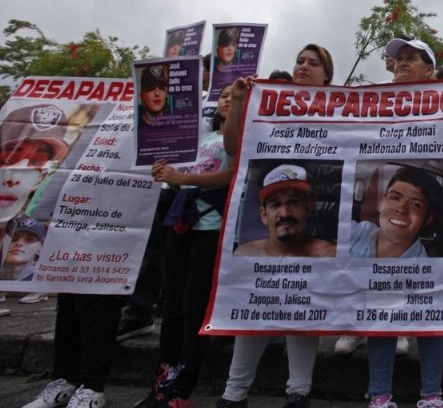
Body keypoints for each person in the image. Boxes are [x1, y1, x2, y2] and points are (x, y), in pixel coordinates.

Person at [362, 36, 443, 408]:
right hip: (392, 241)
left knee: (434, 310)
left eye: (412, 58)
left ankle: (431, 394)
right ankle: (380, 394)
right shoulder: (373, 101)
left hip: (435, 227)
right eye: (399, 57)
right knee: (380, 313)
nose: (402, 62)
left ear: (430, 70)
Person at [218, 43, 335, 408]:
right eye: (299, 60)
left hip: (304, 220)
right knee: (254, 306)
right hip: (264, 206)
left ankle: (298, 393)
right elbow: (234, 145)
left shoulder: (340, 109)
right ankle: (233, 395)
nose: (303, 66)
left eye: (313, 63)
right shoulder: (266, 101)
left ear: (327, 76)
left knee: (303, 309)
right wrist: (238, 101)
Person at [135, 86, 234, 408]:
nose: (227, 99)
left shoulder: (238, 139)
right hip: (181, 222)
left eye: (236, 95)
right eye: (224, 95)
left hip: (212, 226)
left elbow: (230, 176)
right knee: (172, 307)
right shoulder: (200, 139)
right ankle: (161, 383)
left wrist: (182, 178)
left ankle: (183, 388)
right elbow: (179, 176)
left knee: (194, 309)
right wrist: (166, 174)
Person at [234, 164, 336, 258]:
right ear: (264, 215)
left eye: (294, 202)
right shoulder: (244, 255)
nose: (285, 213)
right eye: (275, 205)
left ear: (308, 208)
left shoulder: (329, 254)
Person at [348, 166, 443, 259]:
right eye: (395, 197)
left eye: (416, 204)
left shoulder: (426, 267)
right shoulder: (356, 230)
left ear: (427, 219)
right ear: (381, 203)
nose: (401, 208)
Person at [0, 215, 44, 281]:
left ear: (40, 249)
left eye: (29, 239)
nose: (19, 243)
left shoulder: (40, 279)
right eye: (14, 238)